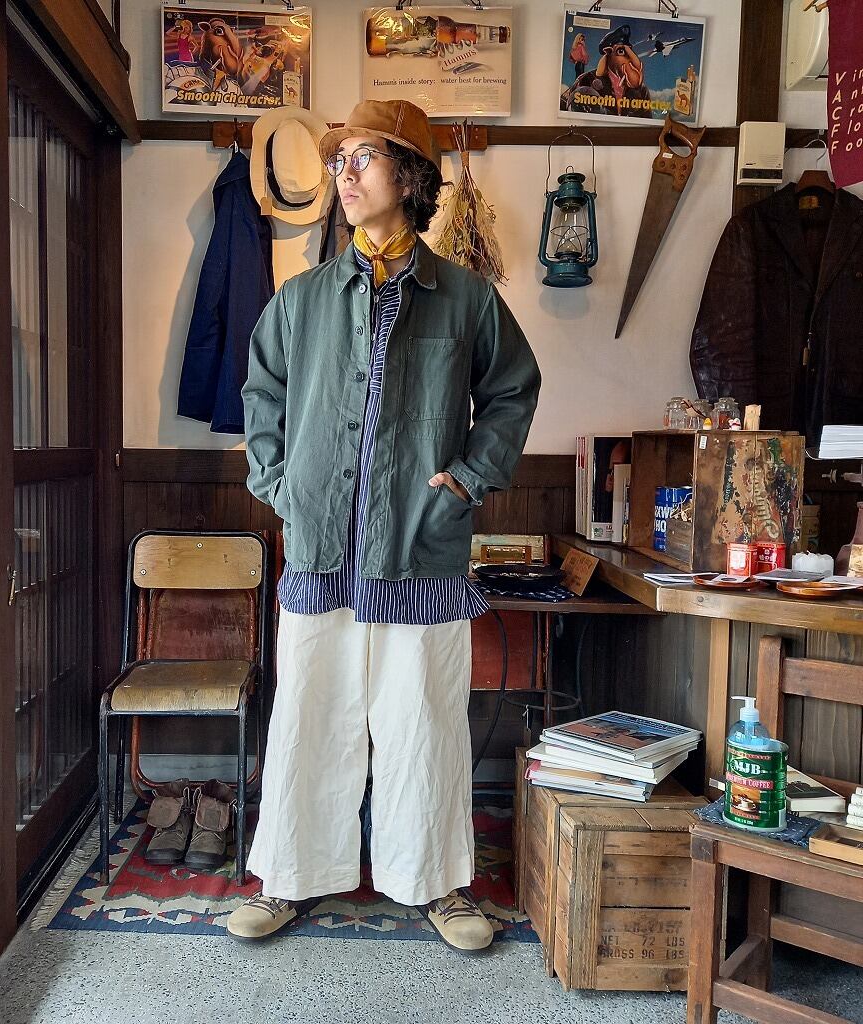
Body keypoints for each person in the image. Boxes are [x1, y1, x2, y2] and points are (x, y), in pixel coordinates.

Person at [231, 99, 540, 954]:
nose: (344, 174)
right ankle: (291, 875)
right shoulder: (301, 300)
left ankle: (435, 882)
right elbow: (260, 395)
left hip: (420, 543)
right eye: (339, 161)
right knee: (310, 716)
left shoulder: (466, 299)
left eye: (362, 157)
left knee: (423, 723)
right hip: (322, 543)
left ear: (408, 175)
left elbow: (512, 390)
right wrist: (280, 484)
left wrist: (469, 477)